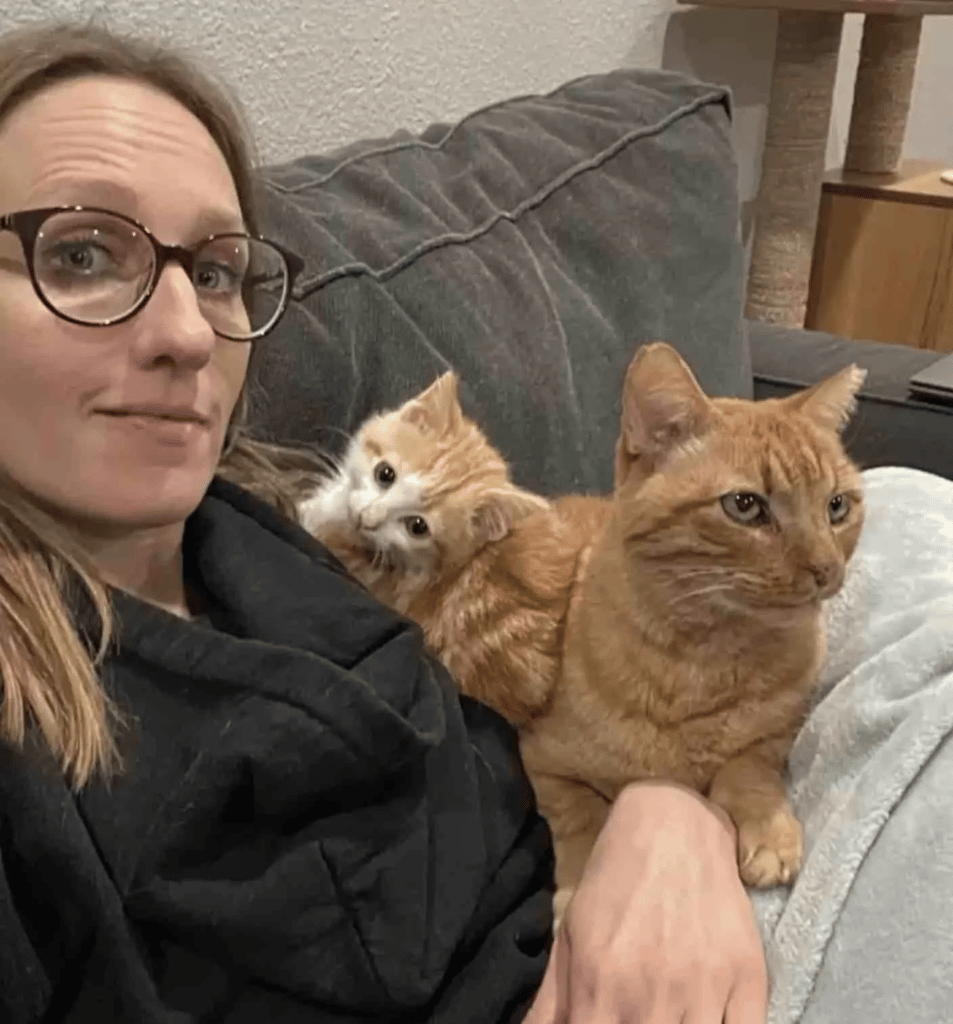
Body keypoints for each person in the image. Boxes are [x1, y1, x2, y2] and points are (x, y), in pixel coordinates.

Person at [0, 22, 767, 1024]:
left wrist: (667, 818)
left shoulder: (274, 537)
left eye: (219, 269)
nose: (189, 332)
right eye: (85, 252)